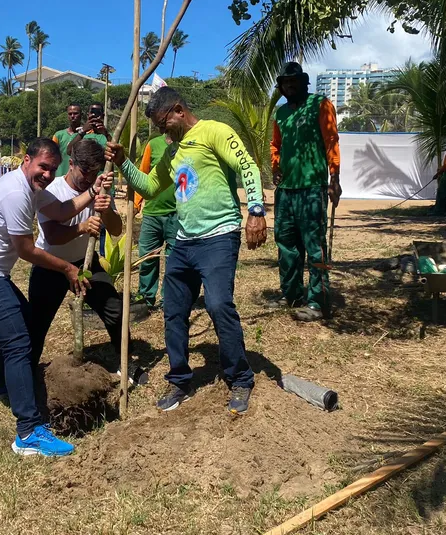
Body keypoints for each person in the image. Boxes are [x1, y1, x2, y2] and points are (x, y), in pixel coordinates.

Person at [104, 86, 268, 415]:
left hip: (219, 237)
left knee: (220, 305)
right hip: (183, 242)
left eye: (165, 124)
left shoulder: (214, 132)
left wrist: (257, 210)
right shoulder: (172, 152)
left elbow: (247, 165)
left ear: (179, 110)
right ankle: (180, 379)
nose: (163, 132)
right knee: (174, 311)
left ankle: (240, 378)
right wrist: (123, 163)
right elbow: (150, 186)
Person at [0, 138, 112, 457]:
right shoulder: (15, 193)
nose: (47, 174)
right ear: (26, 161)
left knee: (23, 325)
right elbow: (26, 250)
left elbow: (64, 209)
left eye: (52, 169)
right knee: (19, 342)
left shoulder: (32, 189)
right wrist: (68, 267)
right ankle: (27, 432)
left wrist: (94, 192)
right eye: (42, 167)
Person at [29, 140, 144, 383]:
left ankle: (127, 362)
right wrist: (82, 227)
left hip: (85, 262)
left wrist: (106, 211)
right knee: (37, 325)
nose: (89, 178)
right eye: (85, 172)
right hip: (51, 264)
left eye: (94, 173)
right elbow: (52, 235)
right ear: (71, 165)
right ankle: (26, 371)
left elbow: (116, 230)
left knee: (115, 310)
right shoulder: (52, 191)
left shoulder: (100, 190)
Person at [270, 62, 341, 323]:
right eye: (285, 83)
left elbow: (331, 141)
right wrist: (275, 167)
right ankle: (291, 294)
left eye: (294, 82)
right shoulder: (280, 113)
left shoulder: (321, 105)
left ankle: (316, 301)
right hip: (286, 190)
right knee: (286, 244)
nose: (289, 86)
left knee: (314, 245)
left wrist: (334, 177)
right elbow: (276, 145)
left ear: (303, 82)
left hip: (313, 187)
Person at [133, 128, 178, 310]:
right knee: (147, 257)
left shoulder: (186, 144)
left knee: (174, 260)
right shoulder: (154, 144)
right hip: (152, 213)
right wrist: (137, 202)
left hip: (177, 213)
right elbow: (142, 174)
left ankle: (170, 300)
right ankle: (146, 297)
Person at [68, 103, 113, 256]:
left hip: (101, 186)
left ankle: (102, 258)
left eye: (98, 113)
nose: (95, 116)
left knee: (102, 227)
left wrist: (106, 133)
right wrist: (83, 131)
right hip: (82, 187)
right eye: (92, 112)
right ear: (87, 115)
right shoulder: (82, 133)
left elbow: (115, 153)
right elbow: (69, 149)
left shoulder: (106, 135)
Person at [52, 104, 83, 178]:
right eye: (70, 114)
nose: (72, 116)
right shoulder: (58, 135)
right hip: (59, 177)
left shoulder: (87, 135)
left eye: (75, 113)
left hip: (77, 179)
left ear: (81, 115)